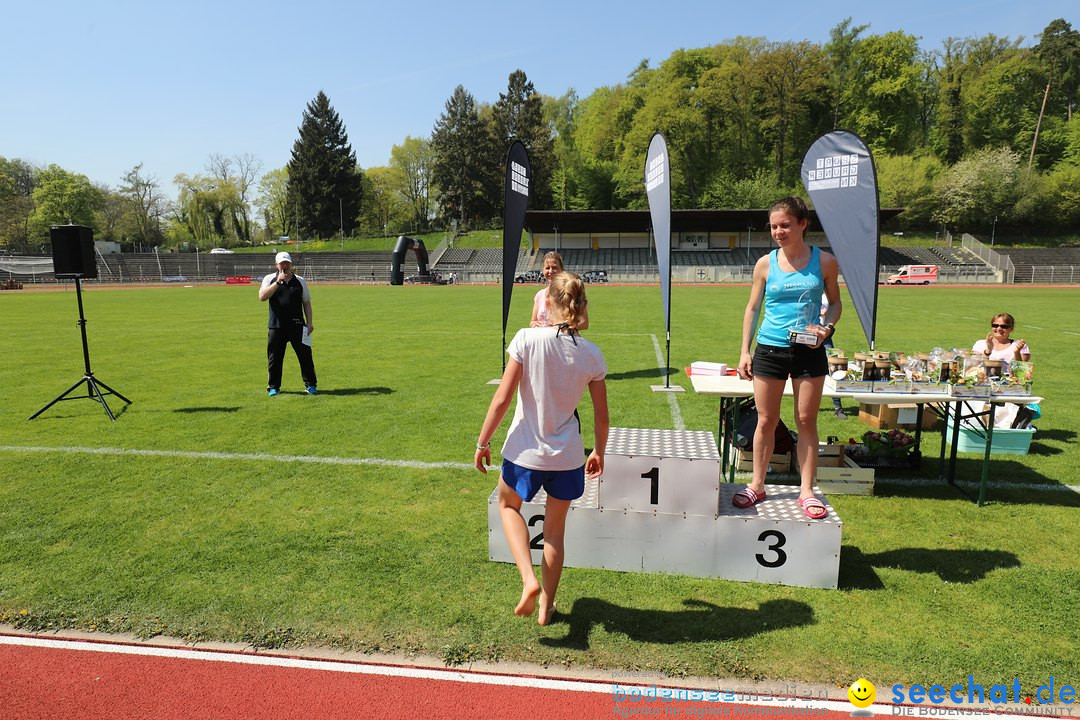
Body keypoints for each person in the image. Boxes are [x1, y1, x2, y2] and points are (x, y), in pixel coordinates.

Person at [476, 272, 608, 625]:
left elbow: (502, 398)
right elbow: (601, 416)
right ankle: (546, 608)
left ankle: (528, 579)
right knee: (554, 533)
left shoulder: (526, 339)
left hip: (524, 452)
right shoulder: (592, 354)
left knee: (507, 505)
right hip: (567, 457)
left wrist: (483, 441)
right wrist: (599, 451)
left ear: (547, 303)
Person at [735, 197, 841, 520]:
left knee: (806, 420)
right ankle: (757, 484)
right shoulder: (765, 264)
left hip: (809, 350)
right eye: (773, 226)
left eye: (785, 225)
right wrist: (744, 349)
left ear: (802, 224)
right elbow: (752, 308)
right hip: (769, 349)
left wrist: (827, 328)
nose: (778, 231)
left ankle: (807, 490)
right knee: (766, 420)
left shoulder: (824, 262)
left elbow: (835, 303)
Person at [258, 251, 317, 396]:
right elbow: (262, 297)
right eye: (282, 263)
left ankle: (310, 385)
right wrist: (278, 282)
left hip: (297, 325)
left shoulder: (300, 281)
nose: (285, 265)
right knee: (275, 357)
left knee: (305, 356)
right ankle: (273, 386)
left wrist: (309, 323)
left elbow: (307, 303)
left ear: (291, 264)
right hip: (276, 326)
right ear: (276, 264)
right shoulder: (269, 279)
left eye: (287, 263)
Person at [972, 312, 1032, 429]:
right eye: (995, 325)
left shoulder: (1019, 345)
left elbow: (1022, 373)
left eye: (1004, 326)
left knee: (1006, 411)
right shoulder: (981, 344)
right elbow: (973, 367)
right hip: (983, 385)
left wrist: (1016, 352)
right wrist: (988, 351)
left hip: (1008, 387)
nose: (999, 328)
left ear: (1011, 329)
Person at [530, 251, 589, 329]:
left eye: (554, 268)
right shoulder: (540, 295)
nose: (550, 271)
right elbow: (533, 321)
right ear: (543, 270)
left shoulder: (570, 292)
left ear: (562, 269)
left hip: (563, 339)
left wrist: (561, 328)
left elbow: (584, 323)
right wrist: (534, 325)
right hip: (543, 340)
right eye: (547, 268)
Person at [821, 292, 847, 418]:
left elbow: (834, 309)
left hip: (824, 336)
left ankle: (838, 407)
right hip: (806, 335)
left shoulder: (827, 294)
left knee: (833, 369)